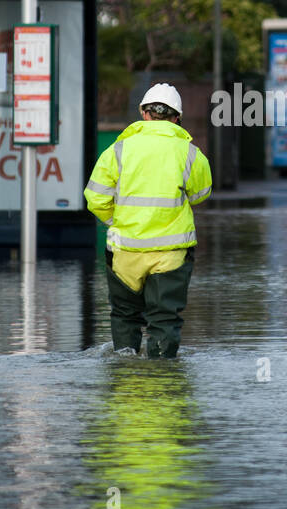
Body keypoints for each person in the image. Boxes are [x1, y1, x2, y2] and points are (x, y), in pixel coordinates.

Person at [84, 83, 212, 358]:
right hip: (171, 255)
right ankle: (162, 380)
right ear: (177, 118)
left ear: (143, 113)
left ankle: (124, 373)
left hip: (125, 254)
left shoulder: (118, 150)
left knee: (125, 317)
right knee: (164, 319)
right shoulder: (189, 153)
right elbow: (201, 193)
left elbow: (94, 198)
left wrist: (116, 220)